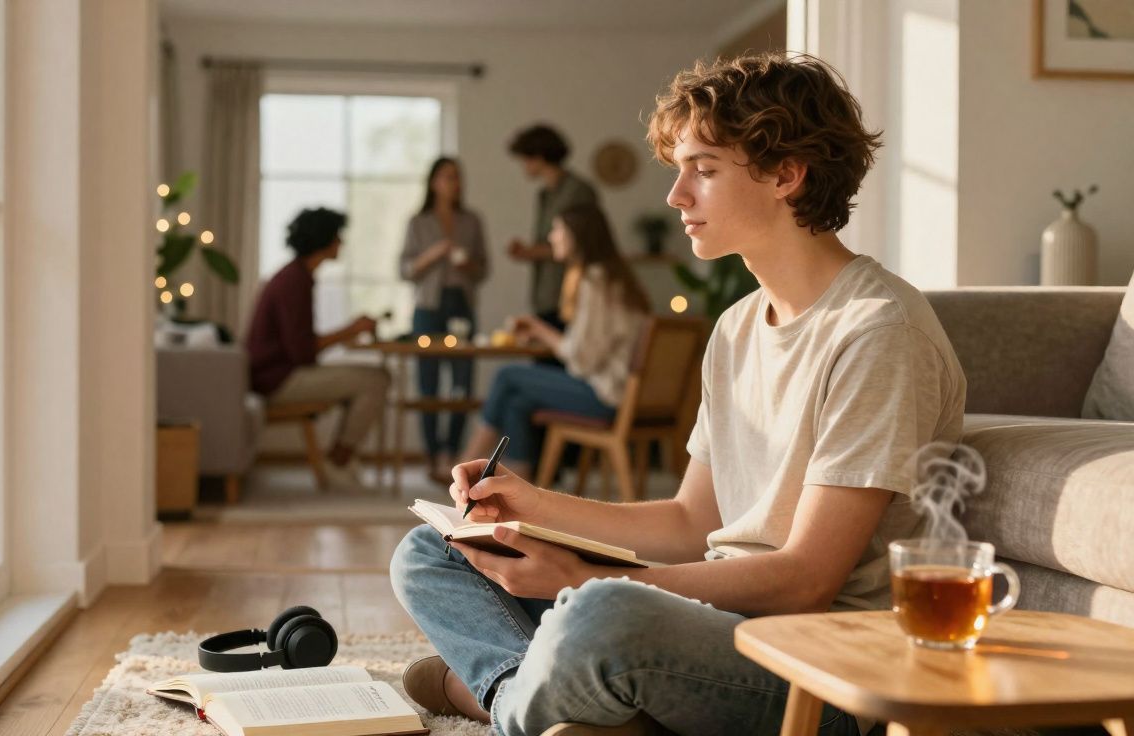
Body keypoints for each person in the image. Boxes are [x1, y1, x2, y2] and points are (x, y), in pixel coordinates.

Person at [390, 53, 967, 736]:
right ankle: (553, 696)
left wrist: (578, 581)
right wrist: (531, 505)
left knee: (601, 611)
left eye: (704, 170)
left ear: (787, 175)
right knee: (430, 553)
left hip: (819, 668)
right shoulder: (738, 326)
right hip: (710, 620)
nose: (676, 196)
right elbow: (692, 521)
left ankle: (494, 696)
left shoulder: (878, 333)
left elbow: (808, 580)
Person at [457, 203, 649, 480]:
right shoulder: (614, 278)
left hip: (605, 397)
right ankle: (513, 484)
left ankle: (464, 469)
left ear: (577, 235)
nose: (551, 237)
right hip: (620, 394)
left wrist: (539, 329)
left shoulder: (595, 281)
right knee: (516, 403)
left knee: (506, 375)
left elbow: (582, 361)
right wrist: (540, 332)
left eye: (558, 229)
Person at [245, 207, 390, 486]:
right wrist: (351, 329)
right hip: (276, 381)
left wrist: (345, 335)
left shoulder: (295, 275)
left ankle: (341, 456)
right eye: (337, 236)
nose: (341, 243)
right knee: (376, 380)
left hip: (276, 375)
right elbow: (302, 352)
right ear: (323, 240)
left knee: (368, 377)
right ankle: (339, 459)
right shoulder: (295, 280)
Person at [400, 157, 490, 485]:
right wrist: (433, 254)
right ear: (433, 182)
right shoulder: (418, 222)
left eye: (457, 177)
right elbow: (405, 270)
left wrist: (467, 266)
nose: (454, 183)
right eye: (447, 176)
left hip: (461, 305)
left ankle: (452, 453)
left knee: (461, 384)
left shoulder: (472, 221)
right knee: (428, 384)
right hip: (428, 307)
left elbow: (484, 270)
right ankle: (432, 453)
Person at [506, 124, 599, 339]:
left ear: (539, 157)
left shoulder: (578, 191)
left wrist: (531, 252)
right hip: (545, 296)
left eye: (525, 159)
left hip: (570, 295)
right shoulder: (544, 195)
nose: (524, 166)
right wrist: (529, 251)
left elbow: (583, 244)